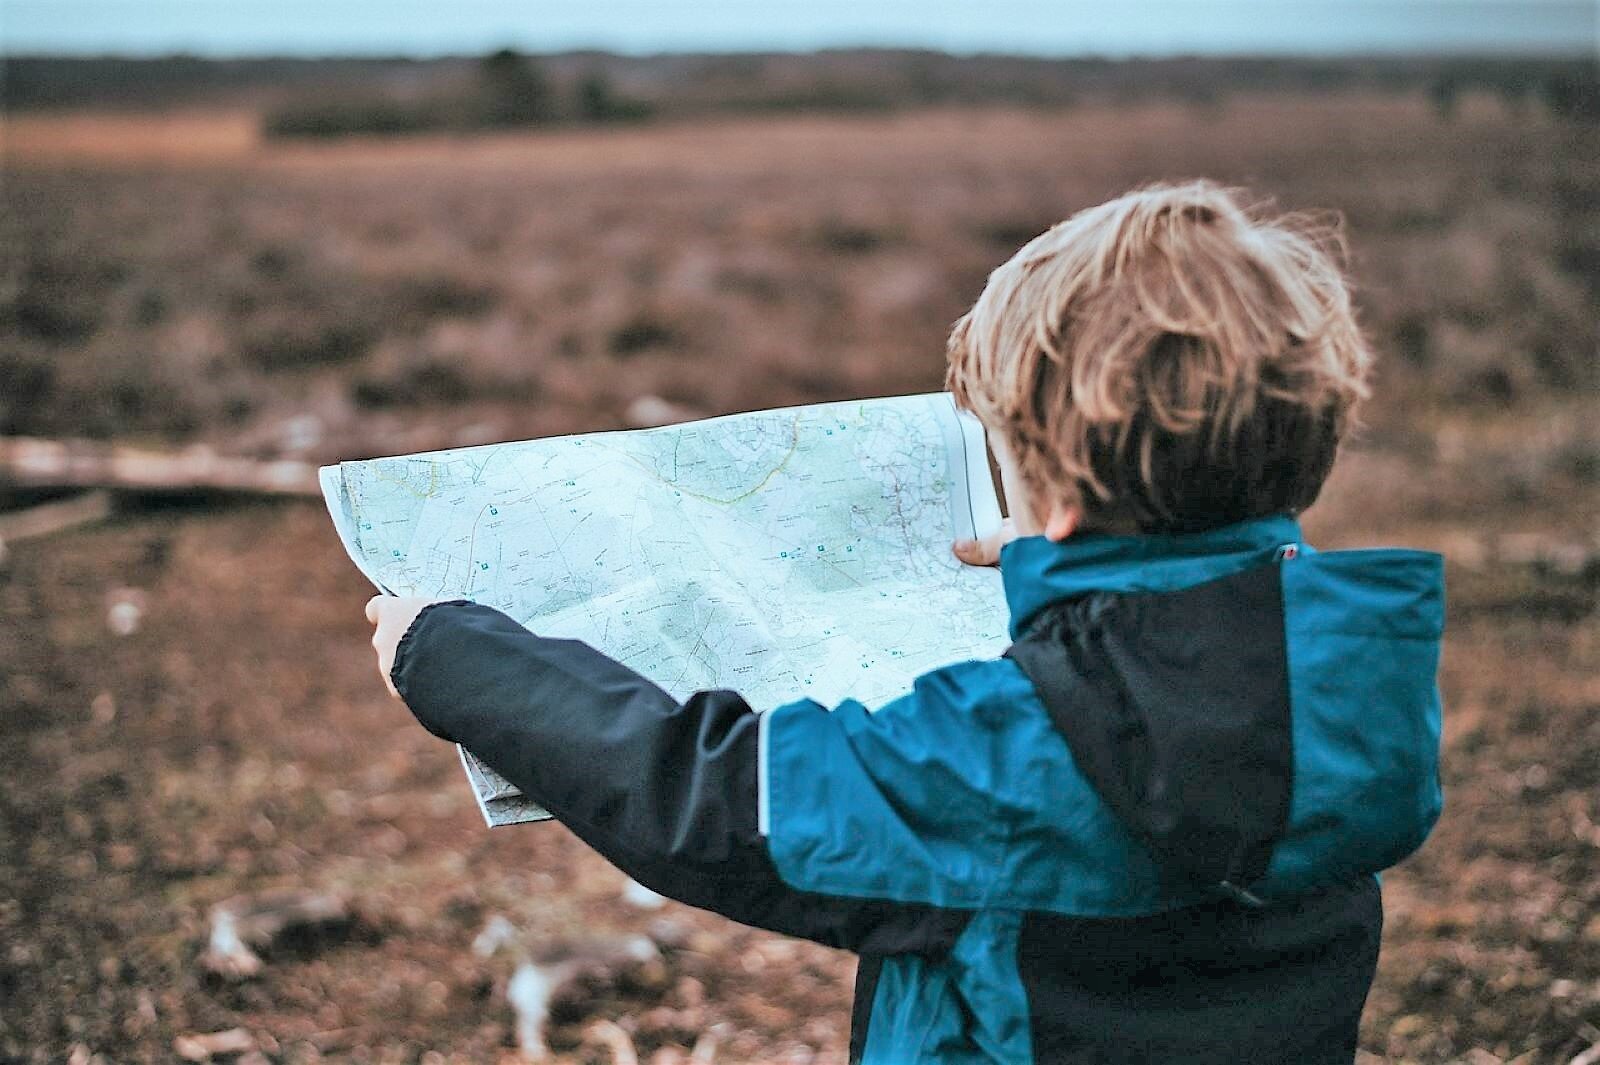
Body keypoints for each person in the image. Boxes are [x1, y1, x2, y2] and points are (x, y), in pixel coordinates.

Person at [365, 180, 1443, 1064]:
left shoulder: (1007, 758)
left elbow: (715, 800)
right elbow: (1182, 655)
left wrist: (449, 653)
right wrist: (1055, 564)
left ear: (1057, 496)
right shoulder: (1351, 685)